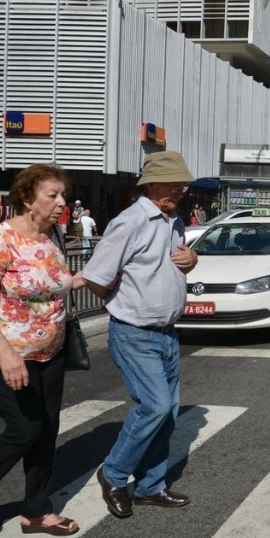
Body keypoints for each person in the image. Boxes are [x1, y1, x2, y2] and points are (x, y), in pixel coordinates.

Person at [0, 163, 85, 536]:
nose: (62, 202)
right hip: (3, 351)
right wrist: (7, 354)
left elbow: (60, 282)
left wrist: (107, 274)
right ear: (28, 199)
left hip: (51, 350)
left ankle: (36, 510)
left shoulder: (54, 234)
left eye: (63, 195)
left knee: (47, 430)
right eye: (53, 195)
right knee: (25, 428)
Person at [82, 151, 198, 519]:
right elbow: (95, 276)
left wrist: (192, 262)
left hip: (167, 334)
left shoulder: (174, 221)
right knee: (155, 407)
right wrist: (122, 299)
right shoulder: (130, 221)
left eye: (182, 185)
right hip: (134, 333)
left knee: (168, 413)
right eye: (173, 185)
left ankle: (150, 486)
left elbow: (169, 266)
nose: (179, 191)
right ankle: (114, 474)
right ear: (150, 184)